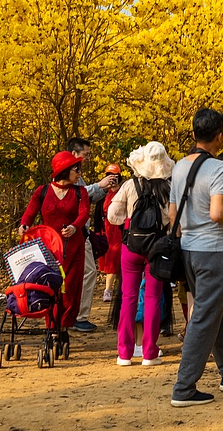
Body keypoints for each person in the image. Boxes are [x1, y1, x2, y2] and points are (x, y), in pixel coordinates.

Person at [168, 108, 223, 407]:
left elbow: (172, 215)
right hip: (212, 251)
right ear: (220, 136)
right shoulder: (218, 169)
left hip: (188, 249)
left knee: (209, 310)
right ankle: (184, 387)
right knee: (203, 316)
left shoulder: (179, 167)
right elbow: (218, 213)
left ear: (193, 134)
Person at [106, 142, 174, 366]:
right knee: (154, 298)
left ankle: (124, 353)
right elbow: (174, 222)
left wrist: (129, 219)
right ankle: (149, 352)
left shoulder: (130, 185)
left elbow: (113, 216)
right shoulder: (168, 187)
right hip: (157, 247)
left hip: (131, 246)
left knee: (128, 297)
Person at [19, 150, 91, 334]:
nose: (79, 173)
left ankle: (64, 326)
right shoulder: (42, 191)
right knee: (50, 286)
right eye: (77, 169)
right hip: (49, 248)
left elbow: (84, 214)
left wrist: (74, 227)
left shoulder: (80, 191)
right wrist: (24, 225)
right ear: (66, 170)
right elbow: (30, 212)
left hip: (74, 247)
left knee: (71, 288)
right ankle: (51, 326)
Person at [67, 137, 120, 333]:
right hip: (75, 232)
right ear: (74, 153)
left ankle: (75, 315)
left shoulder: (77, 174)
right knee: (88, 272)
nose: (88, 158)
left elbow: (86, 197)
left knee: (83, 273)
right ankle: (78, 316)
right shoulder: (67, 173)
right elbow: (76, 194)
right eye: (86, 154)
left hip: (81, 232)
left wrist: (104, 188)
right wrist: (99, 184)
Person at [98, 163, 124, 303]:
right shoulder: (102, 194)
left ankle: (115, 290)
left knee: (119, 259)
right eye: (109, 176)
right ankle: (109, 289)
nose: (112, 179)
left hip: (120, 230)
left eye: (115, 176)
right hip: (107, 230)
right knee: (111, 259)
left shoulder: (123, 191)